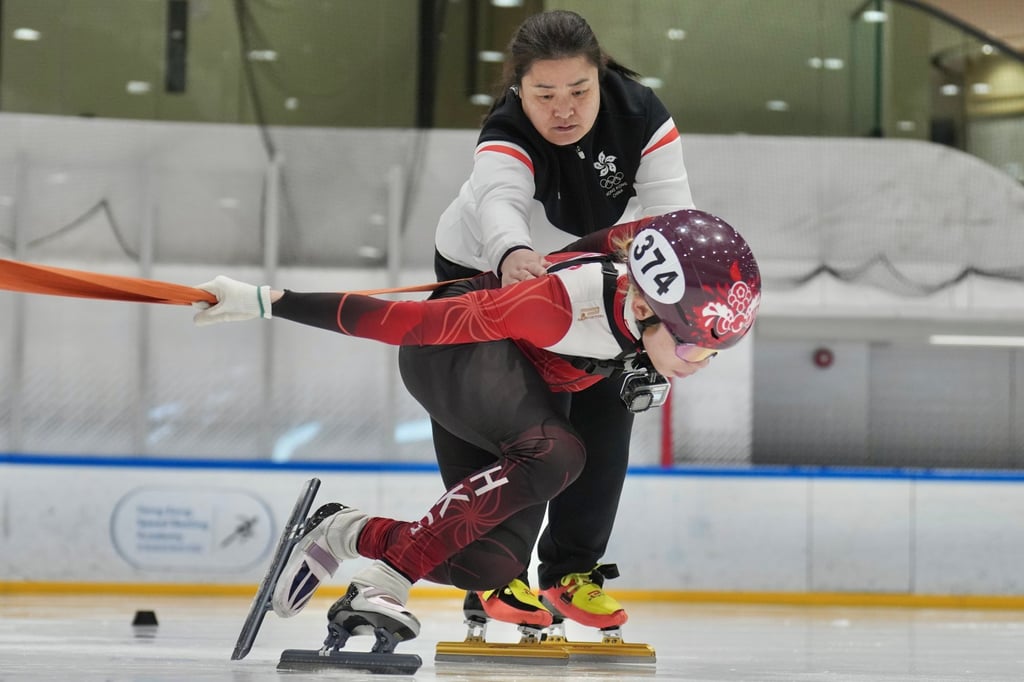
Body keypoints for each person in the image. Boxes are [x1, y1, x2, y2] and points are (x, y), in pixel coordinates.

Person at [193, 209, 761, 645]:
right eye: (691, 344)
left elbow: (672, 240)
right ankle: (388, 579)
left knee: (489, 565)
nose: (697, 362)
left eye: (716, 351)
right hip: (452, 357)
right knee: (560, 454)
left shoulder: (650, 281)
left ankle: (342, 531)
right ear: (642, 308)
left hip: (519, 391)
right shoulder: (557, 305)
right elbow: (403, 322)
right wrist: (267, 302)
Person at [430, 9, 696, 630]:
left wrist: (672, 315)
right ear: (519, 90)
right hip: (486, 266)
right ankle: (491, 572)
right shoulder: (505, 130)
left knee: (606, 407)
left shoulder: (643, 118)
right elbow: (501, 201)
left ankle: (572, 572)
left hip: (597, 271)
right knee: (493, 414)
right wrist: (511, 253)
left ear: (600, 76)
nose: (564, 109)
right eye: (544, 94)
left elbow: (672, 217)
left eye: (580, 91)